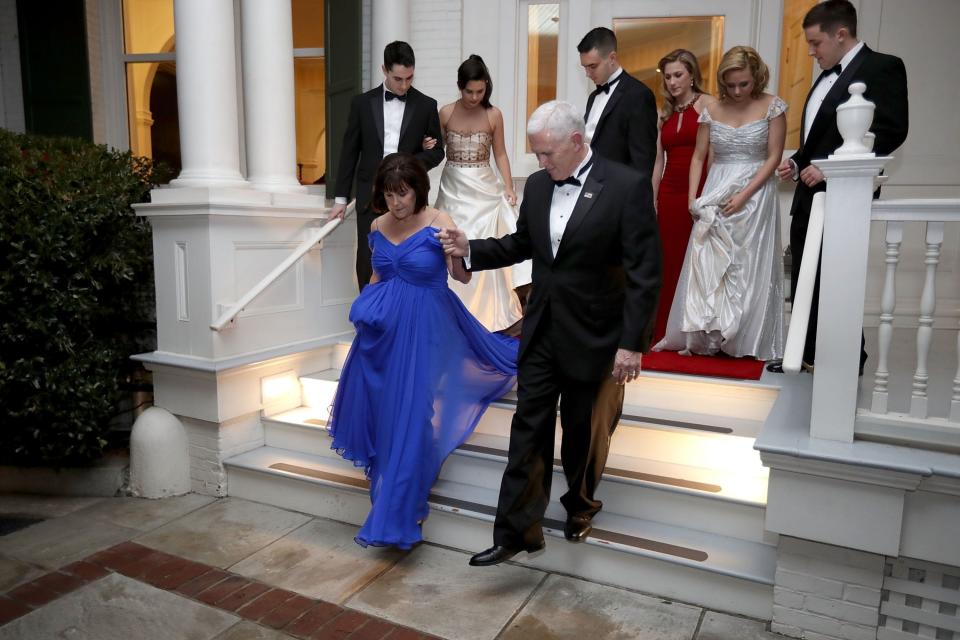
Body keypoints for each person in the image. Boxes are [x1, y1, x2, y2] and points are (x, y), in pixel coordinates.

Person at [439, 100, 661, 566]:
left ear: (577, 142)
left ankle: (580, 506)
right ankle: (518, 531)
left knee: (583, 433)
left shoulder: (626, 186)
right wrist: (471, 249)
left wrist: (631, 344)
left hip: (598, 336)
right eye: (536, 153)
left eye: (547, 153)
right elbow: (522, 244)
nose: (539, 163)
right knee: (528, 429)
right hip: (542, 330)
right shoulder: (539, 187)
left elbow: (645, 272)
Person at [328, 153, 518, 550]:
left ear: (419, 189)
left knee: (412, 414)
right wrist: (366, 312)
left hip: (426, 328)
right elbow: (378, 276)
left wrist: (458, 250)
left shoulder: (439, 222)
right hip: (381, 335)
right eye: (388, 194)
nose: (396, 203)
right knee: (386, 416)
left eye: (403, 193)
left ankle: (397, 513)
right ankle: (394, 495)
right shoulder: (377, 225)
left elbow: (460, 276)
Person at [769, 0, 908, 374]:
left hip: (845, 194)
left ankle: (845, 358)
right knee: (805, 276)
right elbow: (821, 138)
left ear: (840, 34)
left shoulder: (884, 67)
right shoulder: (826, 73)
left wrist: (829, 170)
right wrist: (798, 162)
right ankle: (806, 352)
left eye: (816, 44)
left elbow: (892, 131)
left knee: (837, 280)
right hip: (809, 195)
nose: (812, 52)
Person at [653, 46, 786, 361]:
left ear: (757, 77)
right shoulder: (712, 111)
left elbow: (774, 157)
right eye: (730, 85)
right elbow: (699, 156)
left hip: (755, 193)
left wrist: (744, 194)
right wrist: (694, 198)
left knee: (747, 265)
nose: (737, 91)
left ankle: (745, 338)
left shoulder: (773, 106)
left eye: (744, 84)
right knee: (710, 265)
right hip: (715, 188)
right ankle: (710, 335)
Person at [331, 41, 444, 290]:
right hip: (369, 196)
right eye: (398, 79)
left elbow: (438, 152)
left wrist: (411, 163)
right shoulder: (361, 103)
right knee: (368, 262)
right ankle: (369, 322)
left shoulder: (427, 105)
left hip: (408, 198)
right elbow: (349, 151)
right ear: (384, 69)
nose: (404, 85)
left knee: (405, 261)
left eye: (409, 78)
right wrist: (340, 198)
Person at [432, 55, 532, 332]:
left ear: (486, 86)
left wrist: (509, 187)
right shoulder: (445, 113)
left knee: (484, 240)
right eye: (469, 91)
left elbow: (499, 153)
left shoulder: (493, 114)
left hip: (484, 187)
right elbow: (435, 151)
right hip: (452, 186)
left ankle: (489, 313)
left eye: (480, 91)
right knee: (449, 242)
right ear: (459, 86)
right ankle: (450, 314)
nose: (475, 97)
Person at [651, 49, 717, 342]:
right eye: (668, 77)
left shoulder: (709, 104)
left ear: (692, 74)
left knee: (699, 261)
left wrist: (712, 193)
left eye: (678, 75)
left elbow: (714, 153)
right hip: (669, 191)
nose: (673, 82)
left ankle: (696, 334)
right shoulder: (663, 112)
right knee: (668, 261)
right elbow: (657, 161)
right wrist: (653, 197)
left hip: (701, 188)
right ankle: (666, 329)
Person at [578, 27, 658, 181]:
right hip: (590, 187)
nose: (587, 74)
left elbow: (642, 160)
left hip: (618, 191)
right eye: (585, 67)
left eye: (593, 66)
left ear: (612, 58)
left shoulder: (638, 94)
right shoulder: (593, 97)